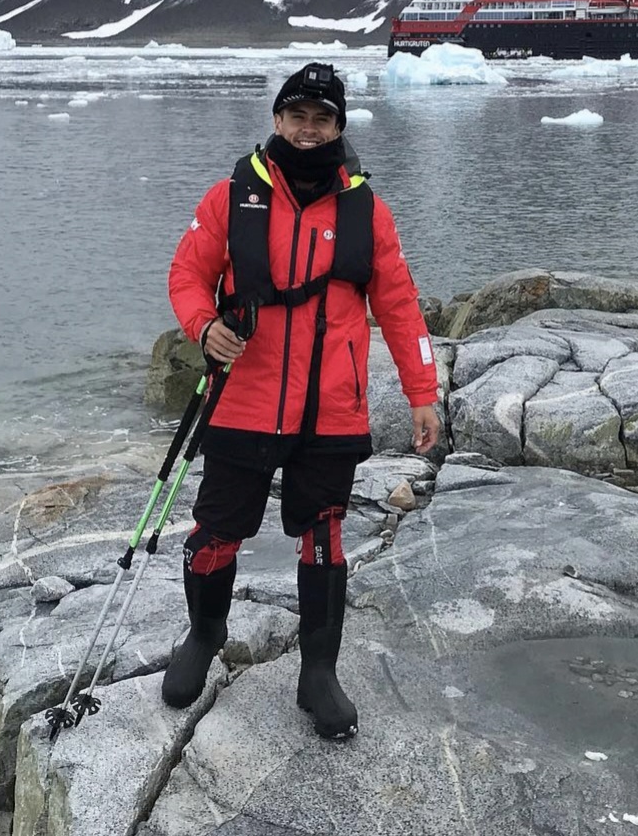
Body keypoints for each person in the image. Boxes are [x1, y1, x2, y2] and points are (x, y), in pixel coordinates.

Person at [162, 62, 441, 738]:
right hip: (243, 401)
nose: (308, 129)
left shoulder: (366, 208)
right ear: (278, 120)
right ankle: (204, 635)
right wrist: (205, 327)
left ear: (338, 127)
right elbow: (187, 274)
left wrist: (422, 392)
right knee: (215, 535)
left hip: (330, 410)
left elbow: (399, 304)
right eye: (297, 115)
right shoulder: (232, 197)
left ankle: (319, 673)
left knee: (322, 540)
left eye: (322, 118)